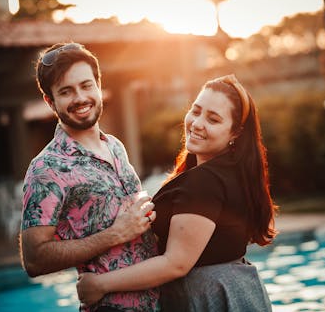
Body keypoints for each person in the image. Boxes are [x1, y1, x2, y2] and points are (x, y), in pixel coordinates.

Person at [77, 74, 277, 311]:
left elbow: (176, 264)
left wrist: (100, 284)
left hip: (208, 299)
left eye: (213, 119)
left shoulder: (205, 181)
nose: (197, 123)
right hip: (236, 292)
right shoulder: (229, 174)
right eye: (196, 110)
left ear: (235, 133)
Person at [19, 42, 160, 312]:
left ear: (98, 85)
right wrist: (113, 235)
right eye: (66, 91)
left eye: (86, 86)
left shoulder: (116, 146)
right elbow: (34, 259)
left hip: (159, 301)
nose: (80, 98)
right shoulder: (47, 168)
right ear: (51, 102)